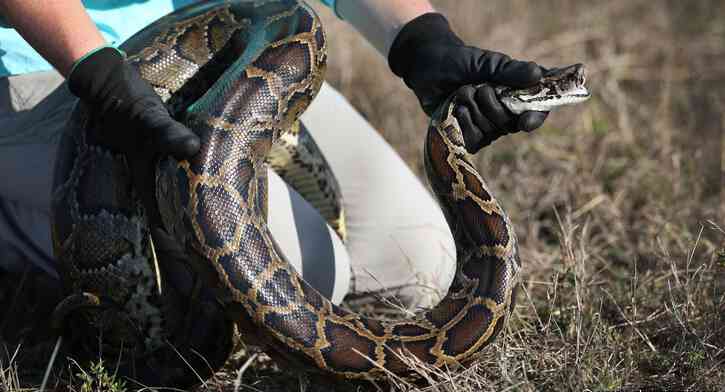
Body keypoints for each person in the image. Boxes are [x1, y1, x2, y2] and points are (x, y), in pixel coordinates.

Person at [0, 0, 548, 343]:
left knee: (418, 269)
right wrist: (96, 73)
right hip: (48, 65)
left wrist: (424, 43)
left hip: (221, 45)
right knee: (314, 281)